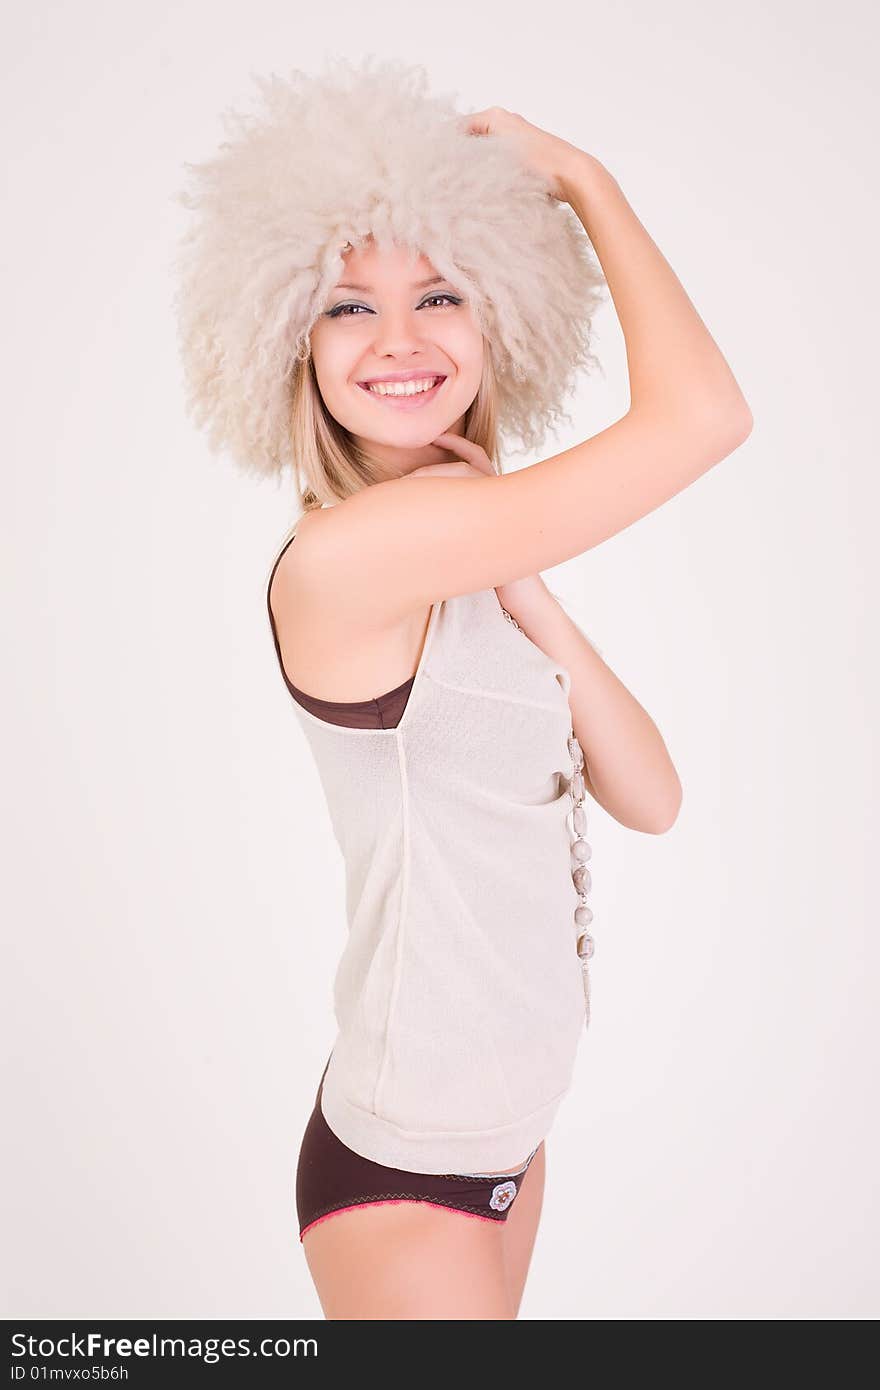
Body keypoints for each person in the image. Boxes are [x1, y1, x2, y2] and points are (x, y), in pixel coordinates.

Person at [173, 57, 752, 1320]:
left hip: (509, 1138)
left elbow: (649, 796)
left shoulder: (474, 556)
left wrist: (529, 585)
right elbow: (703, 416)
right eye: (344, 307)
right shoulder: (348, 558)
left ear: (500, 320)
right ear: (287, 345)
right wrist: (585, 183)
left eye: (439, 292)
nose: (399, 340)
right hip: (406, 1166)